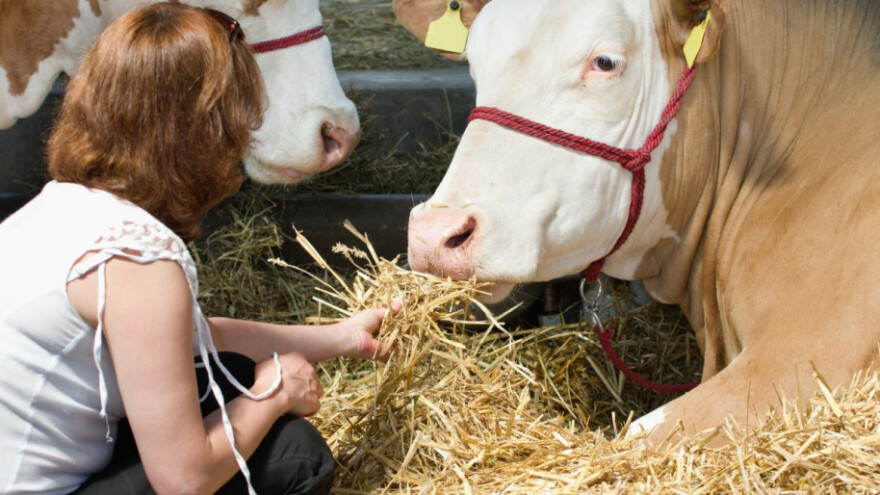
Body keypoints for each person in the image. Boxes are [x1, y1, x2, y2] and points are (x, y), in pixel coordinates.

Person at [0, 3, 399, 494]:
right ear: (210, 126)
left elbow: (192, 337)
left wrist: (345, 339)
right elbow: (184, 480)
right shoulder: (139, 256)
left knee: (224, 373)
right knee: (294, 458)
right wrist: (274, 394)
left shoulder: (59, 208)